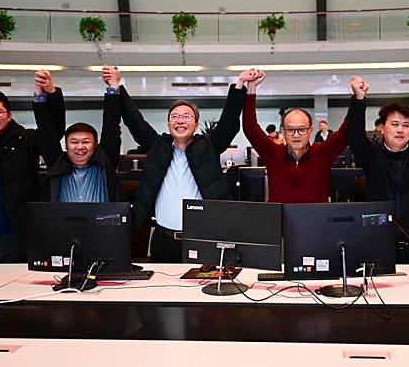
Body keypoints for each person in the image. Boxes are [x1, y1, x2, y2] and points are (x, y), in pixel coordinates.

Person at [119, 68, 249, 262]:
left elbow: (229, 121)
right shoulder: (158, 147)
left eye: (186, 116)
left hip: (201, 241)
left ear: (196, 124)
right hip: (163, 240)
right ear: (168, 123)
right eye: (174, 117)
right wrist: (117, 87)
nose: (180, 120)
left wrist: (239, 85)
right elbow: (135, 122)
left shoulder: (208, 148)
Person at [347, 73, 409, 264]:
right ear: (382, 128)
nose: (400, 130)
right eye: (395, 124)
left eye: (406, 125)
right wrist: (359, 99)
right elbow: (354, 136)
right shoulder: (372, 156)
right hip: (380, 245)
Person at [0, 75, 64, 263]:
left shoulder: (25, 140)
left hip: (14, 238)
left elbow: (52, 134)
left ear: (9, 115)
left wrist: (48, 95)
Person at [242, 69, 347, 203]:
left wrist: (358, 98)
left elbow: (346, 132)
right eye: (290, 130)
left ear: (310, 130)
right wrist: (251, 88)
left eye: (301, 129)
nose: (296, 135)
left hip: (317, 222)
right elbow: (250, 128)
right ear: (284, 132)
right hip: (280, 222)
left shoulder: (322, 153)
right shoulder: (273, 153)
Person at [36, 66, 123, 202]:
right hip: (63, 223)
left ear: (95, 146)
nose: (80, 147)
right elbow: (45, 130)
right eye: (74, 142)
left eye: (86, 142)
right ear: (66, 146)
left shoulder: (105, 163)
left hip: (101, 223)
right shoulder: (57, 164)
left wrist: (114, 87)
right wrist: (41, 93)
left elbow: (111, 124)